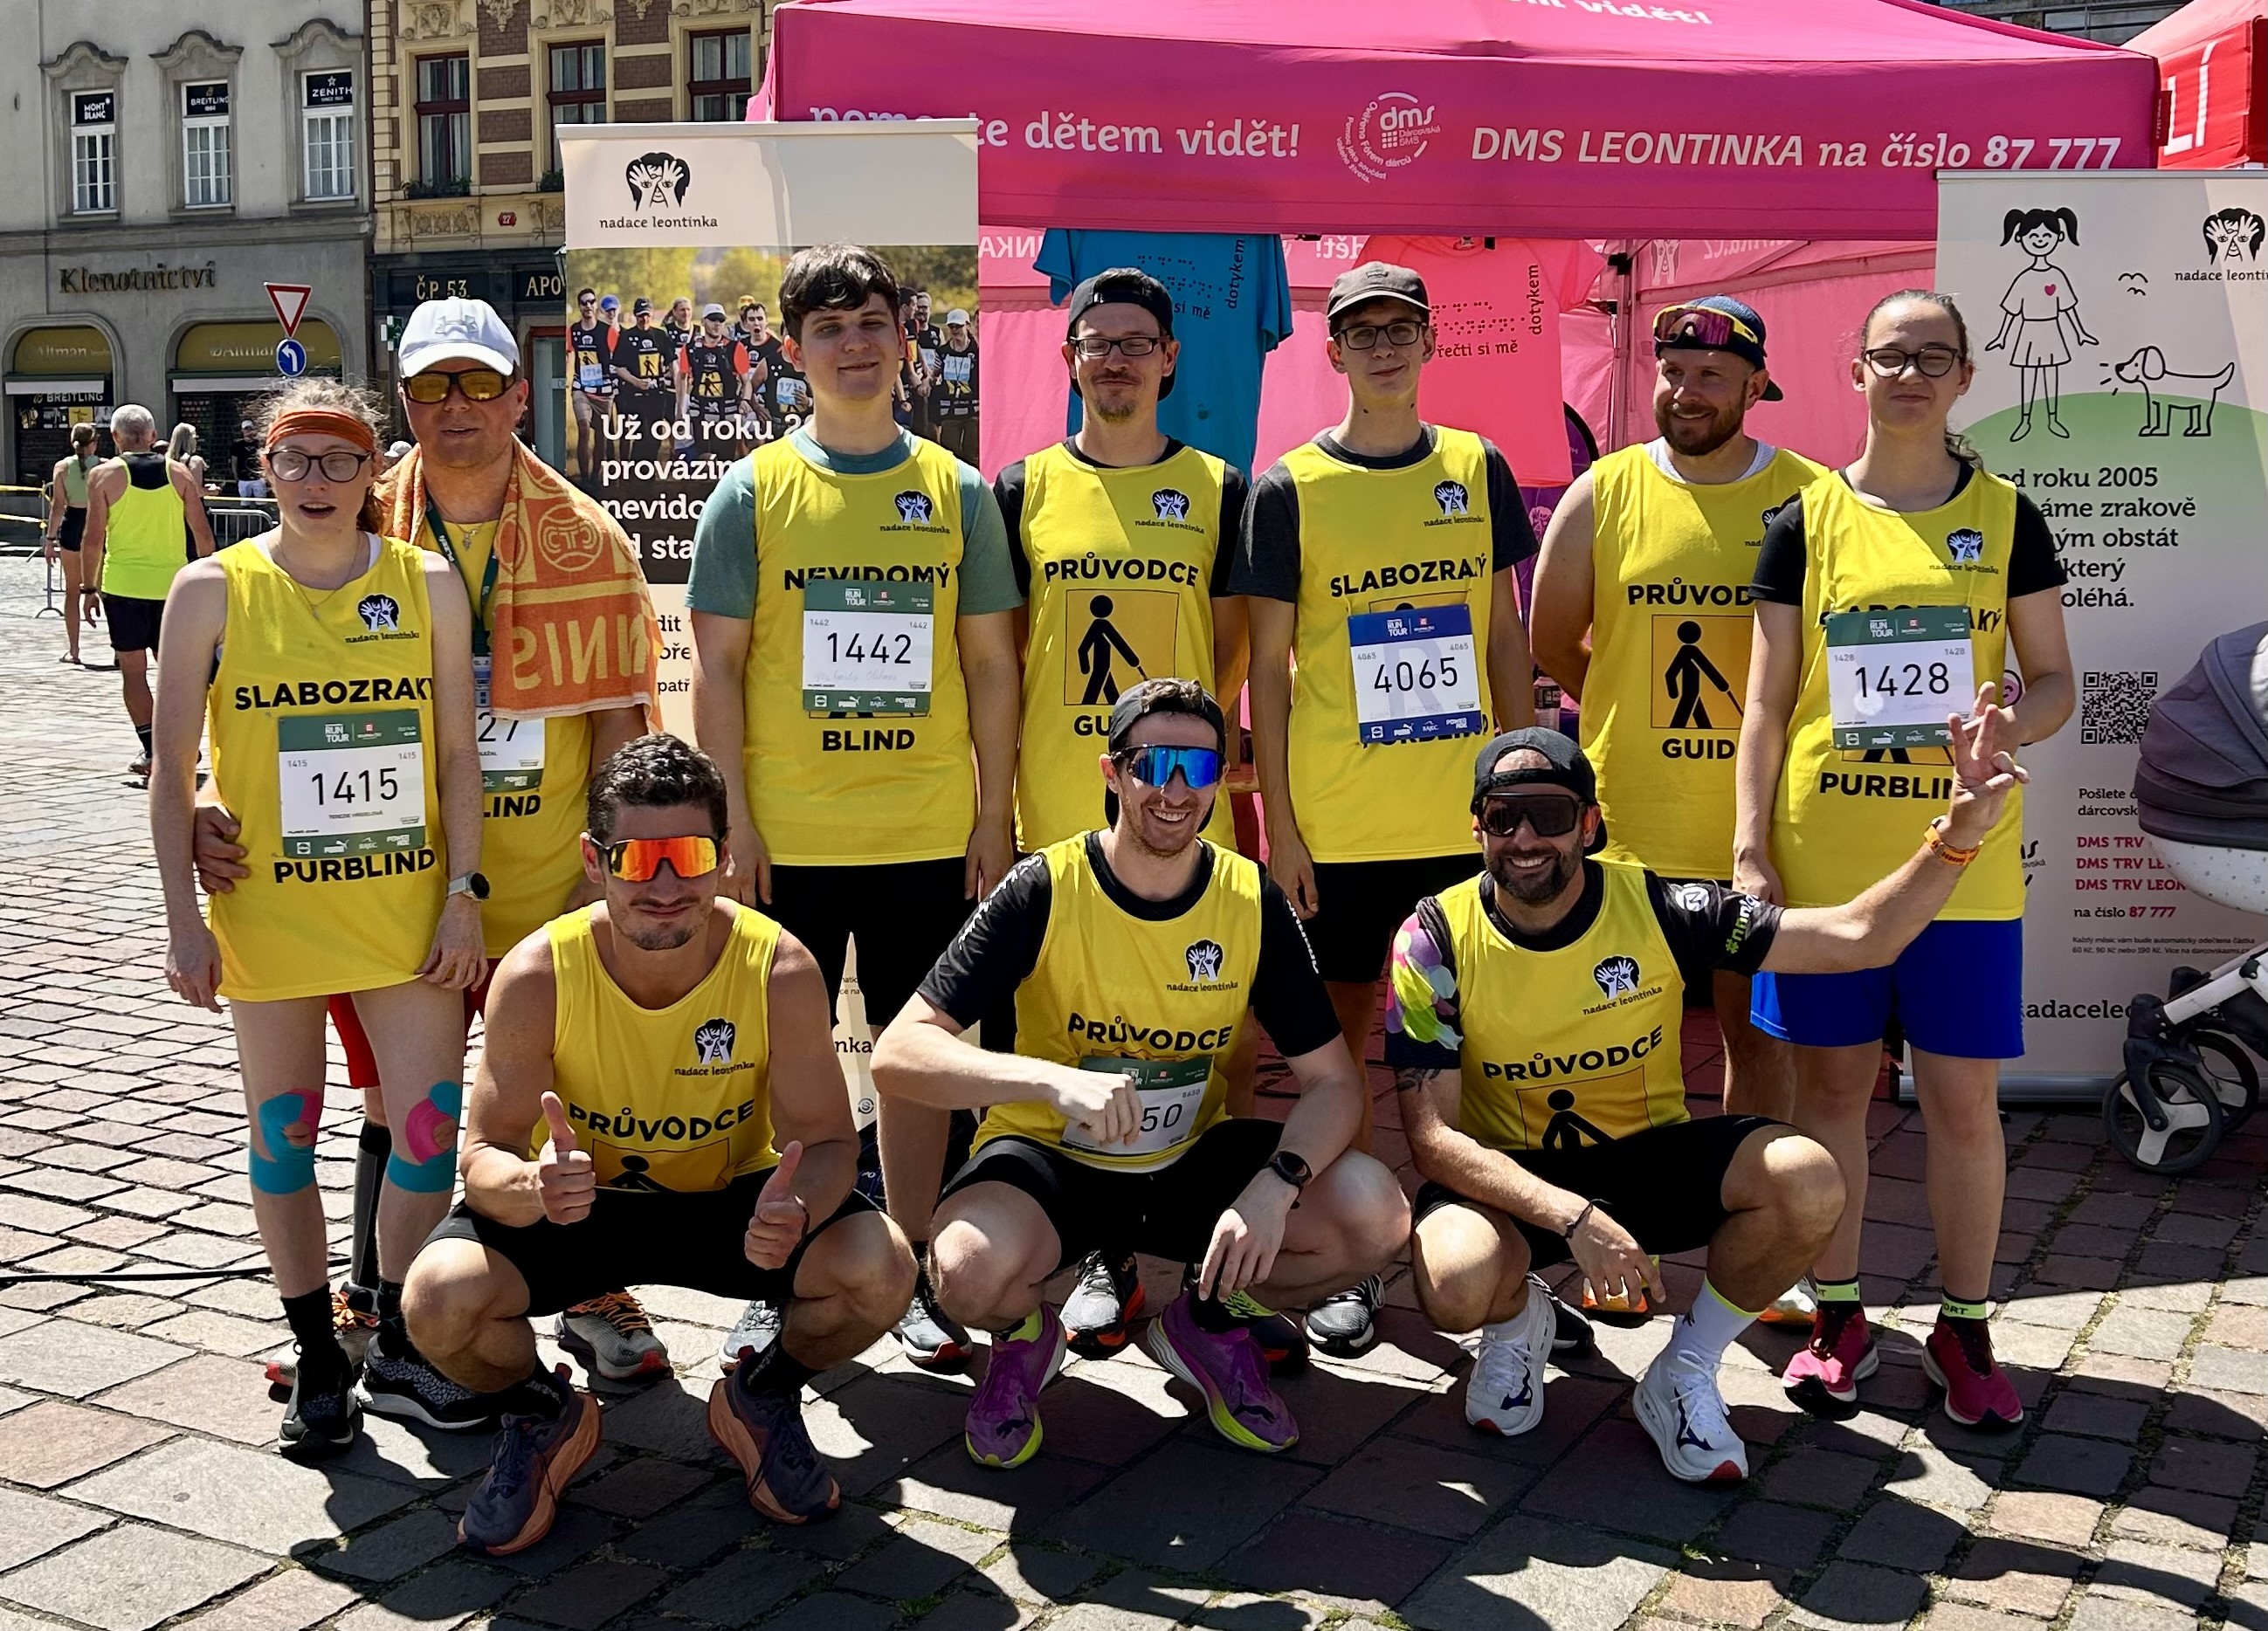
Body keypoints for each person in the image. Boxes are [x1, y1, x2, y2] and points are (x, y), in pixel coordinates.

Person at [197, 298, 667, 1404]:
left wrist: (612, 865)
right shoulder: (355, 519)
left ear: (518, 397)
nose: (456, 406)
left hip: (542, 876)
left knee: (563, 1089)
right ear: (404, 402)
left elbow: (618, 720)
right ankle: (373, 1297)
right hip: (388, 876)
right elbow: (247, 693)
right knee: (392, 1102)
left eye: (479, 383)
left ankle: (588, 1287)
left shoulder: (588, 537)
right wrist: (212, 795)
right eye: (430, 386)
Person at [1389, 710, 2025, 1481]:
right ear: (1477, 828)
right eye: (1502, 817)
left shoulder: (1663, 908)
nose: (1524, 838)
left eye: (1549, 815)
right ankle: (1519, 1324)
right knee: (1453, 1283)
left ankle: (1684, 1367)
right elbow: (1433, 1140)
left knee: (1806, 1178)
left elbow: (1860, 937)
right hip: (1516, 1178)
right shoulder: (1430, 938)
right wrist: (1574, 1218)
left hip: (1646, 1161)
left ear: (1587, 824)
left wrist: (1958, 834)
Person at [872, 678, 1410, 1467]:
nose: (1174, 790)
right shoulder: (1044, 885)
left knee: (1373, 1213)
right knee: (966, 1271)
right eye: (1152, 764)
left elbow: (1333, 1082)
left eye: (1199, 767)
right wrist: (1047, 1082)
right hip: (1053, 1156)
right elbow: (899, 1054)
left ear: (1221, 780)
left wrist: (1277, 1184)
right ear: (1112, 772)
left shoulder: (1248, 897)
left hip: (1187, 1160)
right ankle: (1022, 1340)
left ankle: (1207, 1324)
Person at [405, 734, 916, 1554]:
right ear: (595, 861)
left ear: (723, 856)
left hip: (732, 1205)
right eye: (640, 860)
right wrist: (533, 1186)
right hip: (577, 1205)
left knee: (881, 1270)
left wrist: (796, 1205)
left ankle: (761, 1395)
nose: (668, 886)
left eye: (691, 856)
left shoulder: (778, 967)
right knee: (436, 1300)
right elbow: (483, 1154)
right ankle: (540, 1414)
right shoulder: (537, 971)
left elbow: (826, 1141)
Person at [1736, 289, 2074, 1429]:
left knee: (1961, 1103)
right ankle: (1836, 1316)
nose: (1911, 374)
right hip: (1826, 866)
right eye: (1891, 355)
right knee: (1831, 1092)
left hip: (1963, 865)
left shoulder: (2007, 516)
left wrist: (2003, 729)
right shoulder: (1802, 519)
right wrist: (1748, 847)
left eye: (1934, 356)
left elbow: (2055, 682)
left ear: (1965, 376)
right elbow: (1765, 706)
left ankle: (1962, 1329)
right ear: (1858, 372)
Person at [690, 243, 1023, 1373]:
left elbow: (990, 665)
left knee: (919, 1065)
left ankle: (920, 1264)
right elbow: (716, 669)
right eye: (828, 328)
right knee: (780, 1073)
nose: (853, 343)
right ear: (794, 353)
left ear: (903, 336)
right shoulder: (751, 492)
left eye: (871, 321)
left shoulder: (957, 491)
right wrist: (732, 821)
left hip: (926, 835)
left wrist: (991, 815)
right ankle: (772, 1277)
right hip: (786, 842)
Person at [148, 378, 486, 1455]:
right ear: (263, 467)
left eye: (342, 460)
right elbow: (169, 768)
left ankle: (396, 1335)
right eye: (295, 459)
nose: (317, 481)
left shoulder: (426, 581)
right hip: (270, 914)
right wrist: (183, 923)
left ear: (374, 468)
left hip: (402, 912)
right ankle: (317, 1353)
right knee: (282, 1137)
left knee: (427, 1134)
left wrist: (465, 894)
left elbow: (457, 753)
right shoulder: (210, 588)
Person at [1235, 261, 1539, 1356]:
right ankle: (1358, 1256)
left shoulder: (1475, 465)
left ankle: (1501, 1252)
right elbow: (1266, 675)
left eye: (1398, 328)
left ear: (1427, 340)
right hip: (1342, 829)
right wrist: (1282, 828)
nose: (1380, 346)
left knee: (1484, 1049)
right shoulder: (1288, 486)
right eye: (1359, 331)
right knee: (1342, 1056)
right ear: (1332, 351)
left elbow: (1503, 638)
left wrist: (1522, 792)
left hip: (1458, 828)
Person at [1527, 295, 1826, 1325]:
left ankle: (1757, 1243)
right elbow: (1553, 641)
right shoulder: (1604, 490)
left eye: (1710, 375)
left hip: (1761, 829)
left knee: (1759, 1037)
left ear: (1755, 385)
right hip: (1631, 822)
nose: (1684, 390)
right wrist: (1620, 711)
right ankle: (1624, 1242)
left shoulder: (1808, 496)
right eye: (1670, 370)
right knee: (1621, 1046)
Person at [993, 270, 1252, 1357]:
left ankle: (1194, 1254)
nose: (1114, 359)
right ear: (1068, 361)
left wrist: (1171, 765)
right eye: (1095, 342)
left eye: (1135, 342)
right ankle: (1098, 1249)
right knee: (1071, 1031)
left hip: (1181, 814)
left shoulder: (1221, 487)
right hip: (1062, 811)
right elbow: (1004, 654)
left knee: (1203, 1034)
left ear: (1168, 359)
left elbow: (1228, 651)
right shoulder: (1020, 487)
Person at [83, 403, 218, 779]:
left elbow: (92, 538)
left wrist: (88, 587)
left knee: (133, 671)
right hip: (173, 588)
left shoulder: (104, 476)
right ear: (153, 434)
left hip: (123, 586)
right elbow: (203, 535)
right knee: (176, 672)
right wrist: (210, 582)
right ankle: (183, 745)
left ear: (115, 437)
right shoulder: (179, 474)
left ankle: (152, 749)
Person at [42, 423, 104, 666]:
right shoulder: (105, 466)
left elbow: (58, 506)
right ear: (94, 443)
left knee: (72, 591)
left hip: (71, 525)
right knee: (105, 589)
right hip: (96, 525)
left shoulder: (61, 467)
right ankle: (120, 650)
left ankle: (74, 650)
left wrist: (50, 540)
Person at [679, 302, 753, 447]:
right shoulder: (690, 349)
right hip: (699, 410)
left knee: (725, 456)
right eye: (713, 319)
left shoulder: (735, 348)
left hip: (728, 411)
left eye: (721, 320)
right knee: (704, 455)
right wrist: (681, 408)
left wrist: (745, 400)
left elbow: (746, 381)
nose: (717, 324)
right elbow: (682, 377)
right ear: (703, 321)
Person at [569, 287, 617, 479]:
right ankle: (584, 478)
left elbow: (617, 358)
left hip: (603, 389)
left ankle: (596, 475)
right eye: (584, 303)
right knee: (583, 429)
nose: (588, 306)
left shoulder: (607, 331)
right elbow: (567, 354)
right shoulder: (573, 330)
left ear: (596, 305)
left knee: (601, 434)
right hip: (581, 387)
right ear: (579, 307)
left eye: (591, 302)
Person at [933, 310, 979, 465]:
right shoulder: (942, 352)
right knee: (950, 454)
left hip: (974, 409)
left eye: (958, 326)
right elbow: (934, 374)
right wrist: (927, 383)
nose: (954, 330)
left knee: (972, 454)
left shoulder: (978, 350)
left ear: (968, 326)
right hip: (949, 409)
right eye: (951, 326)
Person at [612, 297, 672, 416]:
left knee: (656, 426)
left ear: (652, 314)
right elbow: (618, 367)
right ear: (635, 315)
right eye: (641, 316)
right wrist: (636, 382)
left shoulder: (660, 335)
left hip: (657, 394)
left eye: (647, 315)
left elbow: (672, 362)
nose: (644, 319)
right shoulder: (626, 336)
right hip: (633, 394)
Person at [231, 419, 266, 499]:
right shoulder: (237, 445)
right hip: (243, 478)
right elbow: (234, 462)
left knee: (261, 501)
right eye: (246, 429)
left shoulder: (259, 443)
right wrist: (235, 475)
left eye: (250, 428)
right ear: (242, 430)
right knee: (245, 501)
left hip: (258, 478)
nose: (248, 431)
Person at [169, 423, 209, 492]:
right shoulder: (195, 461)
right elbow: (196, 492)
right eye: (195, 438)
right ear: (189, 440)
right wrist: (212, 491)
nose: (196, 442)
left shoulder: (166, 461)